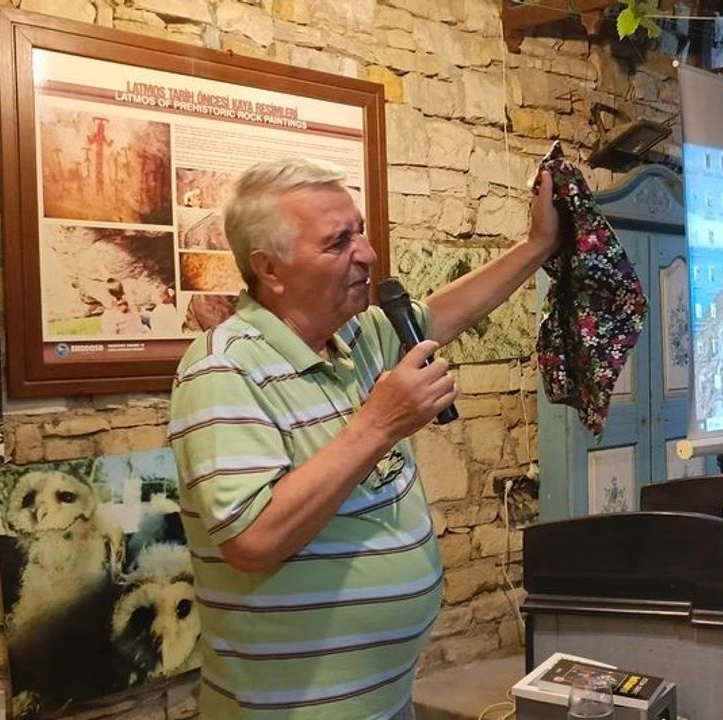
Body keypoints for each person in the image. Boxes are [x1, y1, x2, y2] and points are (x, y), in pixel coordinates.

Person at [168, 158, 558, 719]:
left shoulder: (360, 334)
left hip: (385, 700)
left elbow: (445, 313)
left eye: (361, 231)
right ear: (270, 269)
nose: (368, 254)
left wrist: (538, 244)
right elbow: (251, 541)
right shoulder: (222, 369)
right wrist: (379, 425)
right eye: (338, 242)